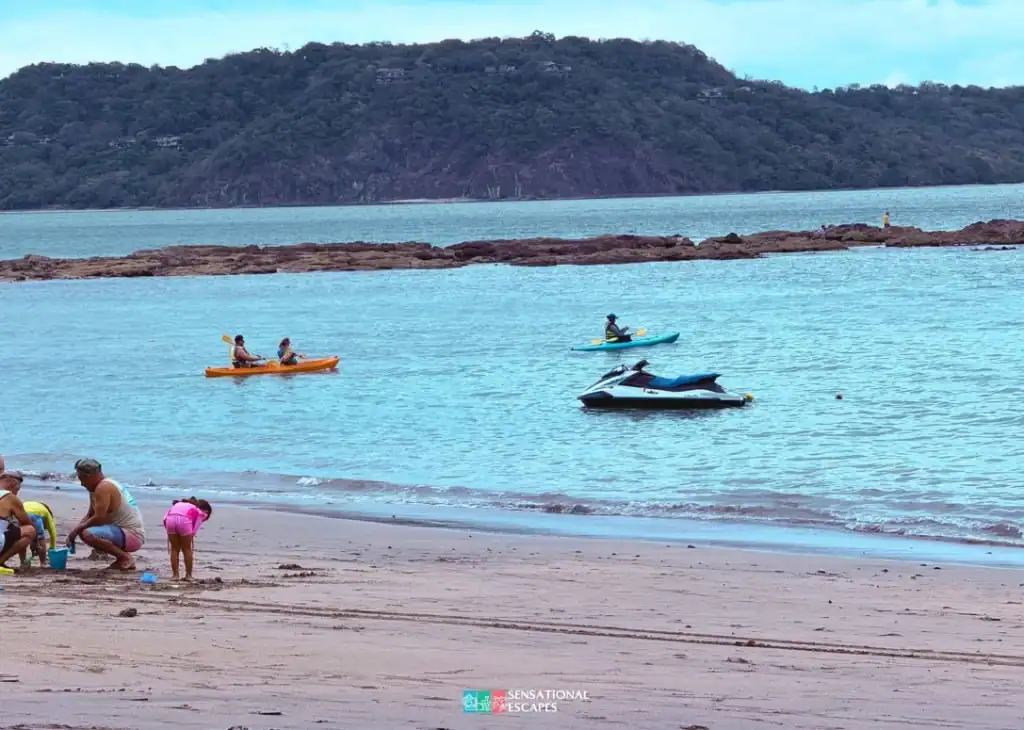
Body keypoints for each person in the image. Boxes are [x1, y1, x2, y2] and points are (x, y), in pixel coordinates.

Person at [65, 458, 146, 571]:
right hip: (121, 532)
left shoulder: (103, 488)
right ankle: (121, 558)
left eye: (83, 479)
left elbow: (99, 518)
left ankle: (125, 557)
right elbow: (90, 514)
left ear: (91, 476)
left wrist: (77, 530)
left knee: (88, 534)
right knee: (84, 531)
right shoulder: (95, 488)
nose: (82, 484)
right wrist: (75, 531)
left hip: (132, 535)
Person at [162, 497, 213, 581]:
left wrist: (170, 533)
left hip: (170, 520)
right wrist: (190, 535)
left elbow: (165, 518)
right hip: (184, 521)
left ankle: (175, 575)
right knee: (187, 549)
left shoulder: (178, 504)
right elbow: (195, 528)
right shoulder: (198, 511)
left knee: (174, 549)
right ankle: (188, 575)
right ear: (206, 511)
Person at [0, 471, 37, 571]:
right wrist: (35, 542)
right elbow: (27, 522)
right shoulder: (9, 497)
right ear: (12, 485)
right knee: (30, 530)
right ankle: (0, 562)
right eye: (17, 489)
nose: (17, 493)